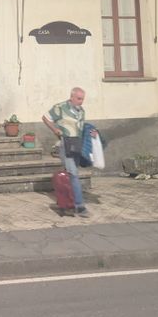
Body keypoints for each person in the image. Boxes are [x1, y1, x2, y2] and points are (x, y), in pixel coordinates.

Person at [42, 86, 94, 218]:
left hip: (77, 145)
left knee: (70, 174)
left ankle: (65, 202)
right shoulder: (60, 107)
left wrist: (91, 133)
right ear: (72, 97)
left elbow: (81, 128)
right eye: (79, 99)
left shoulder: (81, 111)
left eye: (82, 99)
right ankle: (79, 206)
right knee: (74, 174)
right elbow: (45, 118)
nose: (81, 101)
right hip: (66, 144)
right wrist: (55, 130)